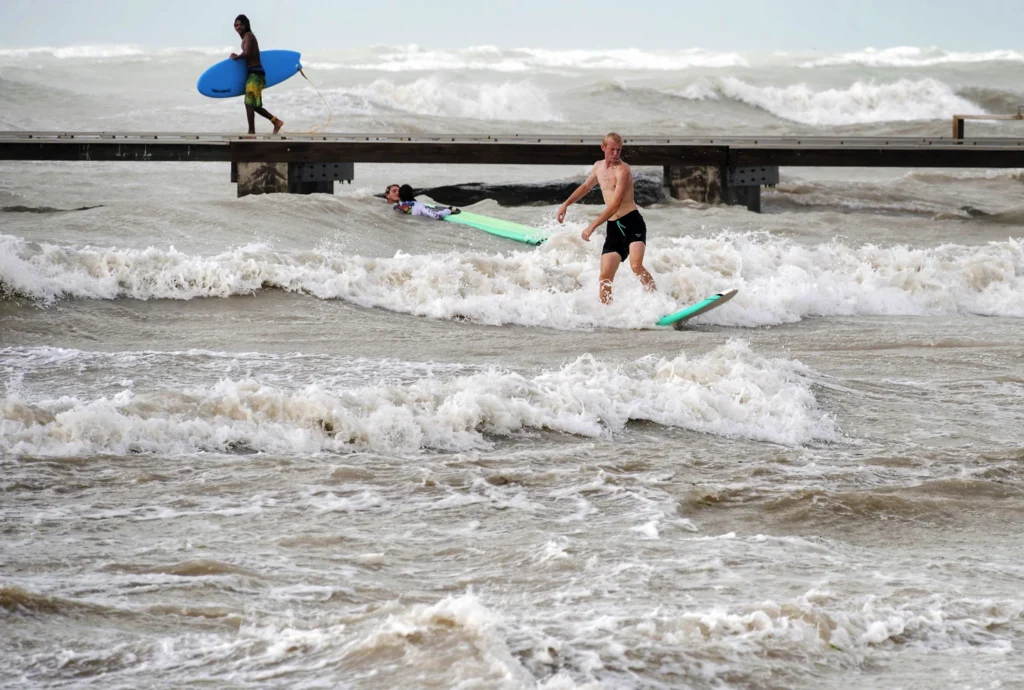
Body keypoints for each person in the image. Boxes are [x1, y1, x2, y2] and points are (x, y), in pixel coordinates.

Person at [556, 132, 656, 304]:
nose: (616, 154)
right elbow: (586, 186)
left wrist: (592, 226)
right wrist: (566, 204)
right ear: (603, 148)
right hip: (614, 228)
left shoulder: (623, 170)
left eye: (619, 150)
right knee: (604, 277)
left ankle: (656, 299)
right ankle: (607, 312)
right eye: (612, 150)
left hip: (632, 222)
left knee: (636, 266)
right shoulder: (598, 167)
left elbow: (615, 205)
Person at [230, 14, 284, 135]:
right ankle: (276, 122)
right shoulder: (245, 38)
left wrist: (236, 57)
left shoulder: (249, 36)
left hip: (255, 74)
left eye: (240, 24)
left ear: (246, 25)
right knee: (253, 105)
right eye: (236, 25)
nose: (238, 27)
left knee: (249, 103)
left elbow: (248, 53)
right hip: (254, 73)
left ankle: (251, 133)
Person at [384, 184, 461, 220]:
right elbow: (436, 216)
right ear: (412, 194)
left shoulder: (397, 207)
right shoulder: (419, 206)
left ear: (400, 196)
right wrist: (448, 211)